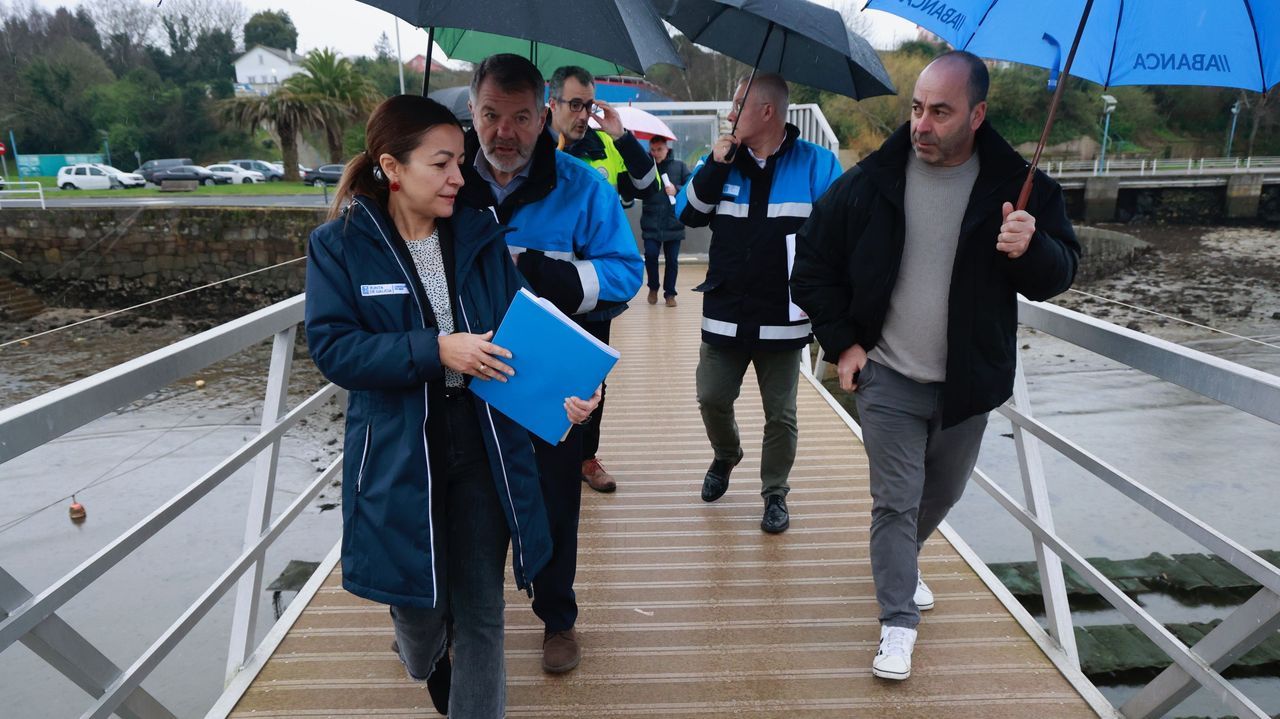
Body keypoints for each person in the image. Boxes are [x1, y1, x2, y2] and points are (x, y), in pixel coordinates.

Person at [304, 95, 601, 717]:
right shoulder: (340, 247)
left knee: (483, 614)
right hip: (398, 454)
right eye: (441, 164)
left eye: (459, 162)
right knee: (418, 613)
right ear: (392, 166)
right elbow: (336, 351)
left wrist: (567, 394)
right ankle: (426, 651)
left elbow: (525, 329)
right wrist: (436, 349)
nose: (458, 178)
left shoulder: (478, 235)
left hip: (483, 445)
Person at [791, 51, 1080, 681]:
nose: (921, 124)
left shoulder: (1019, 187)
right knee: (894, 501)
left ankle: (902, 564)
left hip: (965, 383)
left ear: (976, 115)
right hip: (887, 373)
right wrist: (843, 343)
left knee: (938, 495)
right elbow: (810, 263)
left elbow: (1060, 274)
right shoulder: (872, 180)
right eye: (917, 108)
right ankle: (897, 622)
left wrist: (1030, 249)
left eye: (940, 112)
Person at [457, 54, 643, 675]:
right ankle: (460, 616)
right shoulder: (444, 178)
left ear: (544, 117)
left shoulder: (582, 186)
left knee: (557, 497)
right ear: (471, 113)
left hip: (548, 384)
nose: (502, 132)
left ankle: (557, 618)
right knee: (463, 502)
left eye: (518, 117)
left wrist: (540, 273)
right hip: (460, 379)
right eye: (490, 115)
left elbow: (626, 273)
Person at [676, 72, 842, 534]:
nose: (729, 114)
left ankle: (774, 494)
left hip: (785, 317)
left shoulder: (818, 164)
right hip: (725, 310)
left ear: (766, 111)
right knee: (711, 396)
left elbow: (842, 235)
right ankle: (726, 455)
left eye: (737, 106)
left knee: (781, 415)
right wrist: (713, 164)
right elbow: (686, 214)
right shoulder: (720, 160)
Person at [547, 64, 660, 494]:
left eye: (588, 105)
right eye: (574, 104)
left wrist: (621, 136)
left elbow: (649, 187)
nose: (582, 113)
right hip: (543, 285)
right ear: (552, 104)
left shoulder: (603, 145)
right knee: (540, 365)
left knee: (592, 375)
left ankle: (585, 456)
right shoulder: (532, 150)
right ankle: (543, 451)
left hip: (595, 287)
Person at [640, 136, 689, 307]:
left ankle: (670, 293)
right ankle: (653, 287)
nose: (656, 153)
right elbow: (637, 186)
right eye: (652, 150)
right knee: (651, 255)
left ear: (667, 149)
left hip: (673, 221)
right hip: (651, 220)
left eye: (659, 149)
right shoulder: (646, 167)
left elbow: (691, 185)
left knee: (672, 260)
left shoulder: (679, 166)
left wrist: (677, 189)